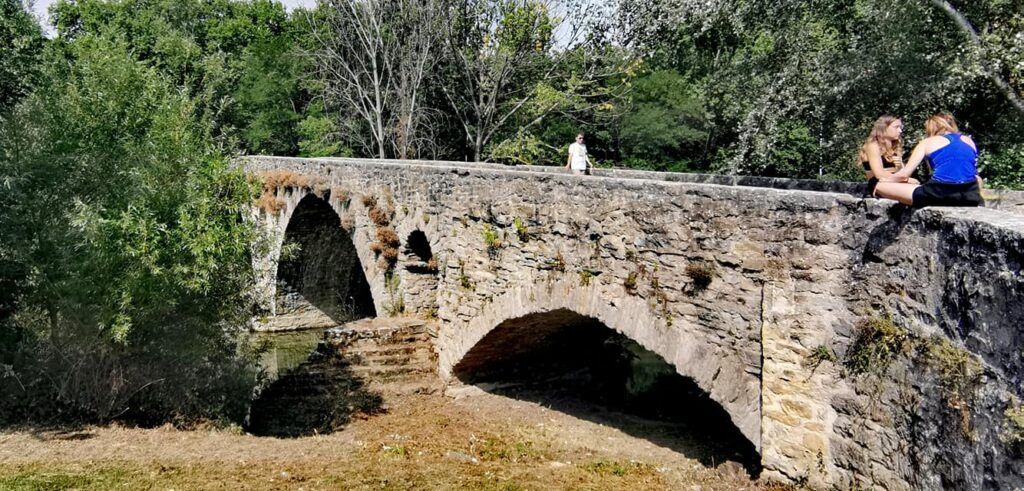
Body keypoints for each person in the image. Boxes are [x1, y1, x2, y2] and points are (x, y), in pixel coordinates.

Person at [875, 114, 983, 207]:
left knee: (879, 186)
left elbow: (904, 175)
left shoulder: (927, 142)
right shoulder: (968, 141)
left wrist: (884, 180)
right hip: (969, 195)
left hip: (939, 194)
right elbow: (974, 175)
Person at [858, 116, 913, 196]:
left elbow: (902, 173)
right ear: (884, 128)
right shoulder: (873, 146)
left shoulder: (895, 147)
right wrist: (906, 179)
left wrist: (900, 166)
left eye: (900, 127)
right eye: (896, 127)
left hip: (894, 183)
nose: (900, 131)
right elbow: (879, 174)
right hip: (878, 185)